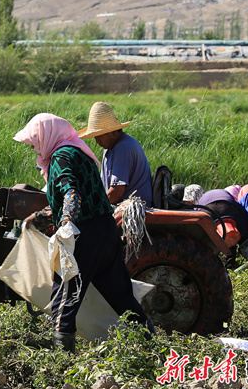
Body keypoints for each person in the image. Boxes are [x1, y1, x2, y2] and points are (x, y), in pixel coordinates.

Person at [17, 113, 149, 353]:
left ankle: (62, 355)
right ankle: (149, 341)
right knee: (120, 294)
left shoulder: (60, 158)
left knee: (66, 294)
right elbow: (82, 196)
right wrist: (36, 219)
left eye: (35, 140)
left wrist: (66, 222)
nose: (34, 146)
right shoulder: (80, 153)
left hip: (83, 234)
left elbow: (71, 193)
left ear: (47, 136)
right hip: (106, 230)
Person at [77, 102, 153, 206]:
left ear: (112, 132)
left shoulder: (123, 148)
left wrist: (92, 207)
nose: (97, 141)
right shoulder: (110, 147)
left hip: (134, 208)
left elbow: (116, 193)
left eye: (98, 136)